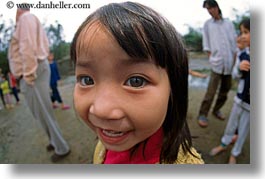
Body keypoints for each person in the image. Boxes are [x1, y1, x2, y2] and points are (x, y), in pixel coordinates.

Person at [71, 2, 204, 164]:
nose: (101, 110)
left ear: (174, 88)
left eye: (136, 81)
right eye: (87, 80)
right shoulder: (105, 143)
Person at [8, 5, 70, 162]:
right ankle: (53, 141)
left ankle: (61, 147)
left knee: (44, 111)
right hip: (31, 71)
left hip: (32, 71)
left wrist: (28, 74)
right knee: (40, 112)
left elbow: (27, 46)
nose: (15, 13)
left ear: (20, 9)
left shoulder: (26, 18)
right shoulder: (26, 20)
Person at [209, 18, 250, 164]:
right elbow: (235, 75)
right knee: (231, 124)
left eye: (247, 32)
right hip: (240, 99)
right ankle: (224, 144)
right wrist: (239, 68)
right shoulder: (242, 55)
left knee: (244, 130)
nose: (243, 35)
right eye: (242, 32)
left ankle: (235, 153)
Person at [197, 0, 237, 127]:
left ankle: (216, 110)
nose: (209, 11)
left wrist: (235, 60)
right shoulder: (208, 25)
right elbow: (206, 44)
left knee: (225, 91)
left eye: (210, 8)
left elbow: (234, 44)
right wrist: (211, 59)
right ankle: (202, 114)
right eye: (207, 9)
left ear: (216, 7)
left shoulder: (229, 24)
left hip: (230, 64)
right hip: (216, 64)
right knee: (211, 91)